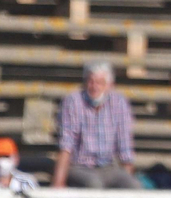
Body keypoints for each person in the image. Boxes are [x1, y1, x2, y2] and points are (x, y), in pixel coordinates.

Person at [53, 61, 139, 189]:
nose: (94, 87)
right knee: (94, 184)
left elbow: (125, 146)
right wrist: (58, 183)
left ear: (109, 85)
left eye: (100, 82)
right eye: (91, 81)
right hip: (80, 166)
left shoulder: (119, 103)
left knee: (133, 185)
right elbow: (66, 145)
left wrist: (128, 177)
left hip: (108, 167)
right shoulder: (73, 102)